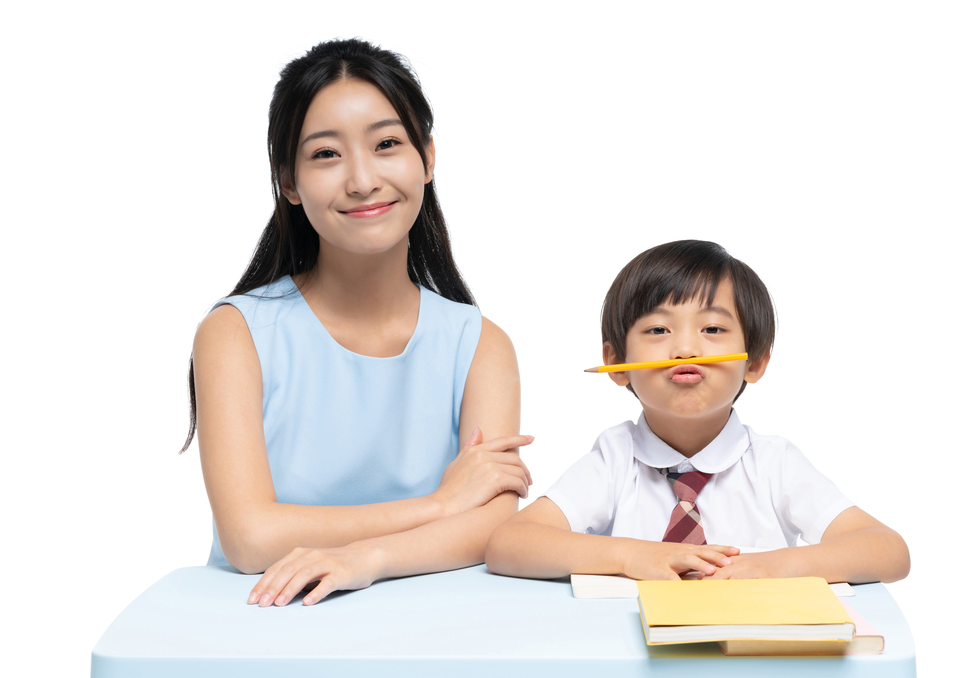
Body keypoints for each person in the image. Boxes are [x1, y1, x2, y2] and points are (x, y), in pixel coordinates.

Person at [186, 39, 533, 606]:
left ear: (427, 158)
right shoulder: (235, 333)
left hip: (434, 626)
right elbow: (250, 539)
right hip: (263, 627)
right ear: (289, 183)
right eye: (326, 154)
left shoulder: (480, 345)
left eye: (387, 144)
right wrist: (438, 507)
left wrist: (363, 559)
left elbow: (489, 528)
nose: (363, 179)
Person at [485, 240, 909, 584]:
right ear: (615, 364)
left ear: (755, 361)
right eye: (657, 330)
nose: (686, 349)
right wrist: (634, 555)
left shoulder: (774, 463)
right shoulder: (615, 458)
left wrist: (780, 566)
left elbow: (888, 550)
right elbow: (510, 543)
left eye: (712, 329)